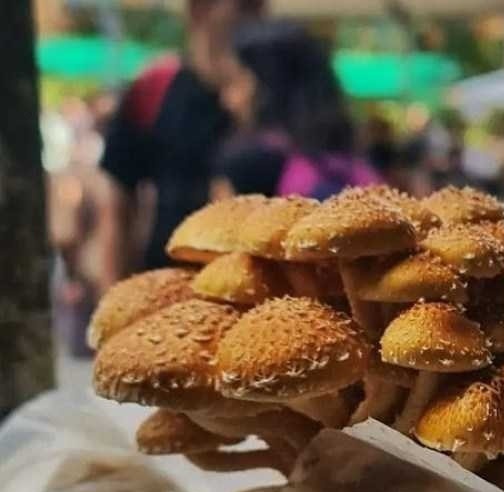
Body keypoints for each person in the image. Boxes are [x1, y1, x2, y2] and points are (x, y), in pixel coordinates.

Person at [95, 0, 265, 287]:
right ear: (199, 9)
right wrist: (113, 290)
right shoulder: (155, 88)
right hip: (168, 280)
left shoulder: (273, 90)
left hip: (252, 285)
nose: (257, 15)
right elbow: (118, 205)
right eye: (244, 5)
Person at [214, 21, 379, 200]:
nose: (227, 100)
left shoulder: (247, 164)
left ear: (265, 87)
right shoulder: (348, 162)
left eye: (234, 82)